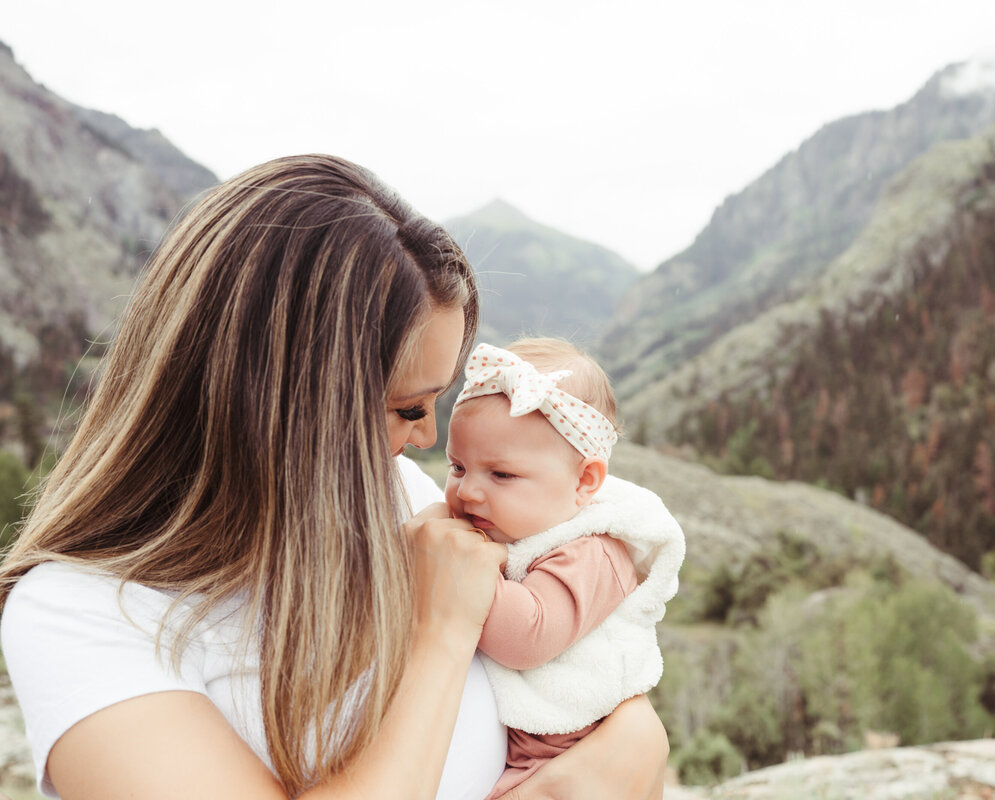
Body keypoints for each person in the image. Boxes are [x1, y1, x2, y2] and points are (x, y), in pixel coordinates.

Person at [0, 155, 667, 800]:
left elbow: (591, 705)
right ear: (291, 407)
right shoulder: (80, 616)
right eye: (408, 408)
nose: (428, 440)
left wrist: (637, 743)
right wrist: (441, 633)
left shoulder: (401, 496)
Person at [443, 339, 685, 799]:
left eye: (501, 475)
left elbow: (528, 636)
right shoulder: (518, 527)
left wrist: (462, 568)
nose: (469, 491)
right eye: (458, 467)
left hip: (566, 752)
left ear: (584, 482)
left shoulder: (593, 551)